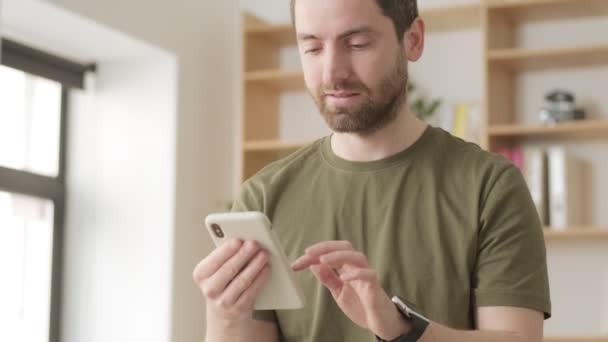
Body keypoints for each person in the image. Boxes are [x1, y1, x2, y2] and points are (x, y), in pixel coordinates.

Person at [192, 0, 551, 341]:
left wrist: (401, 330)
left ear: (412, 40)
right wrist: (224, 314)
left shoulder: (489, 187)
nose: (332, 72)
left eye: (358, 44)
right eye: (313, 48)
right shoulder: (263, 197)